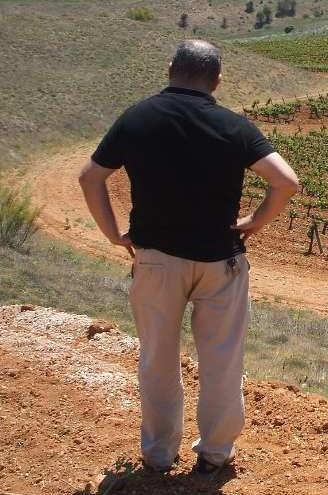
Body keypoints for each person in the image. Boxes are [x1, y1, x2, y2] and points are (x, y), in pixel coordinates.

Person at [78, 39, 301, 475]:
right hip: (221, 261)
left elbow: (90, 179)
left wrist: (113, 235)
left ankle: (159, 456)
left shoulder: (137, 118)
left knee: (157, 357)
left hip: (157, 260)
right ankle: (215, 455)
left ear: (169, 70)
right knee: (221, 360)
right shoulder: (234, 126)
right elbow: (286, 182)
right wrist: (256, 220)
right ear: (217, 80)